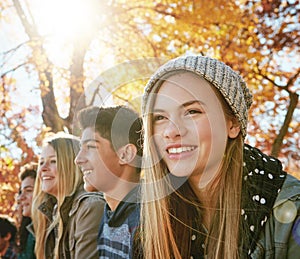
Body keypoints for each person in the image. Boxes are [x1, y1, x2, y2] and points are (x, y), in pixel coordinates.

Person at [139, 55, 300, 258]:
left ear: (232, 124)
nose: (171, 131)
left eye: (192, 111)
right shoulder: (155, 216)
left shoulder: (291, 213)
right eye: (160, 117)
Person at [75, 106, 143, 258]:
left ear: (125, 154)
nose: (78, 159)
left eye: (91, 147)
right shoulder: (108, 214)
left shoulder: (146, 224)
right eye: (81, 148)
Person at [31, 132, 105, 259]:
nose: (43, 168)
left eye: (53, 161)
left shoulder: (90, 207)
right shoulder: (52, 212)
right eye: (41, 162)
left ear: (73, 164)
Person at [17, 163, 37, 259]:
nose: (20, 198)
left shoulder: (53, 230)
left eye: (28, 190)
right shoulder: (30, 232)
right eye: (21, 192)